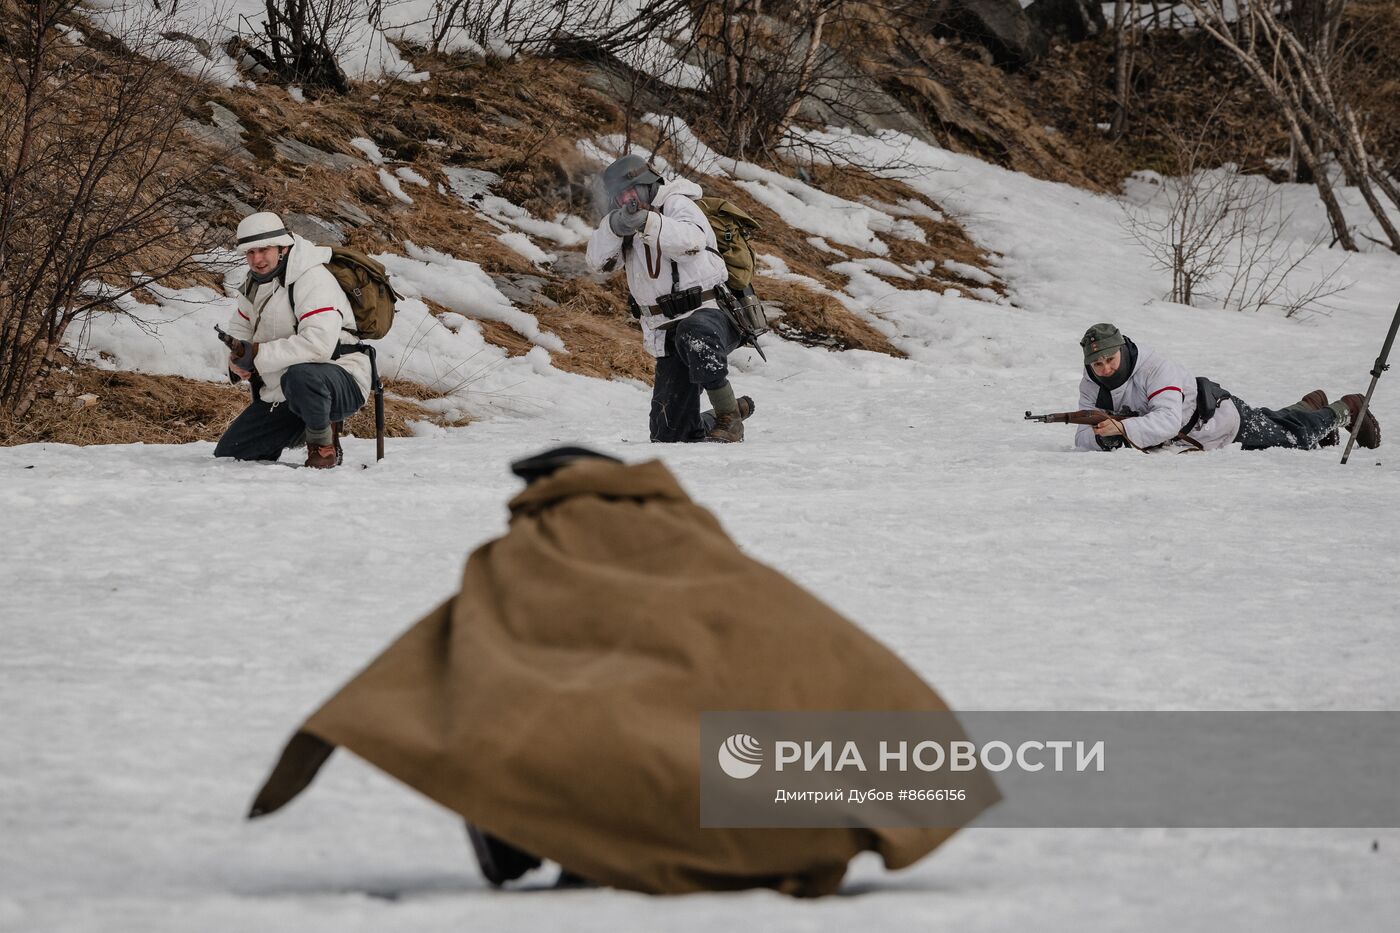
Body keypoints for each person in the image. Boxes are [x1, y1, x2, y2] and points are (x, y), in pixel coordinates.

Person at [585, 154, 755, 443]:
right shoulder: (623, 220)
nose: (627, 199)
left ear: (647, 185)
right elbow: (596, 262)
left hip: (712, 314)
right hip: (667, 331)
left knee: (694, 332)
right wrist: (616, 226)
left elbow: (692, 242)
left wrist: (649, 222)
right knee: (669, 435)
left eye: (631, 191)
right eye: (620, 195)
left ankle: (729, 419)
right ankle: (727, 411)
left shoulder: (678, 203)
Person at [213, 212, 371, 468]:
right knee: (232, 455)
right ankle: (306, 424)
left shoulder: (313, 279)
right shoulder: (253, 282)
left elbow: (319, 345)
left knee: (303, 375)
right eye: (250, 252)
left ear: (282, 247)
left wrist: (257, 355)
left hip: (341, 378)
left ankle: (323, 446)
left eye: (264, 250)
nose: (257, 259)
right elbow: (240, 328)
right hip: (283, 389)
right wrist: (236, 360)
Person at [1074, 323, 1380, 453]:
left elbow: (1167, 421)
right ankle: (1308, 406)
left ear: (1122, 351)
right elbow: (1081, 435)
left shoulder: (1155, 367)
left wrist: (1123, 429)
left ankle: (1346, 408)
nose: (1106, 369)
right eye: (1097, 365)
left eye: (1110, 360)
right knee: (1272, 420)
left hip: (1220, 422)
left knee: (1294, 436)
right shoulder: (1092, 384)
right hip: (1195, 434)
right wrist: (1104, 439)